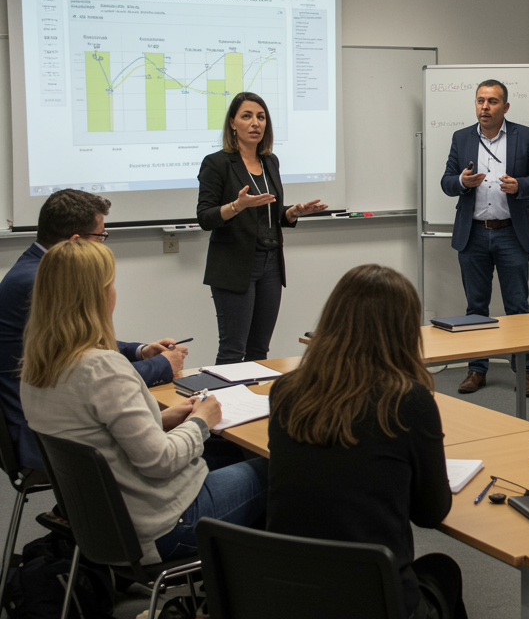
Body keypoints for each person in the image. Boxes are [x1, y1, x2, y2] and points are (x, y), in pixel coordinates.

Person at [267, 264, 466, 619]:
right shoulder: (408, 401)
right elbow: (431, 512)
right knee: (442, 572)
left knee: (351, 566)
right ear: (404, 330)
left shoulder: (286, 393)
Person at [19, 240, 267, 563]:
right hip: (163, 525)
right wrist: (200, 421)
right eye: (111, 284)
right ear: (95, 296)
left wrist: (167, 419)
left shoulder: (37, 367)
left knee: (233, 453)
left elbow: (103, 436)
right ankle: (241, 599)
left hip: (106, 525)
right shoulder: (101, 368)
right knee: (279, 470)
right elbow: (159, 461)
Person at [0, 189, 186, 473]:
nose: (103, 242)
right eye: (101, 236)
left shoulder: (34, 267)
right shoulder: (38, 281)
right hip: (46, 436)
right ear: (77, 241)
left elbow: (80, 341)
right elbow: (92, 378)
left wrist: (141, 351)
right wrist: (162, 365)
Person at [197, 92, 326, 364]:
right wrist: (237, 205)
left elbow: (269, 212)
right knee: (233, 350)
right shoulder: (217, 163)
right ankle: (228, 407)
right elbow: (205, 217)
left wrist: (290, 213)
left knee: (260, 351)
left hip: (270, 264)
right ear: (233, 123)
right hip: (234, 266)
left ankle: (254, 406)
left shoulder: (270, 161)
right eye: (247, 116)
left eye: (261, 117)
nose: (255, 123)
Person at [440, 79, 529, 397]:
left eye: (492, 101)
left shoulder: (525, 136)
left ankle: (523, 372)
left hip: (511, 234)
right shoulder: (461, 138)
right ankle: (477, 370)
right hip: (473, 234)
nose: (484, 107)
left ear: (505, 107)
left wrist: (520, 186)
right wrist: (462, 180)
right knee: (476, 306)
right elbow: (447, 182)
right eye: (480, 101)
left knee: (517, 306)